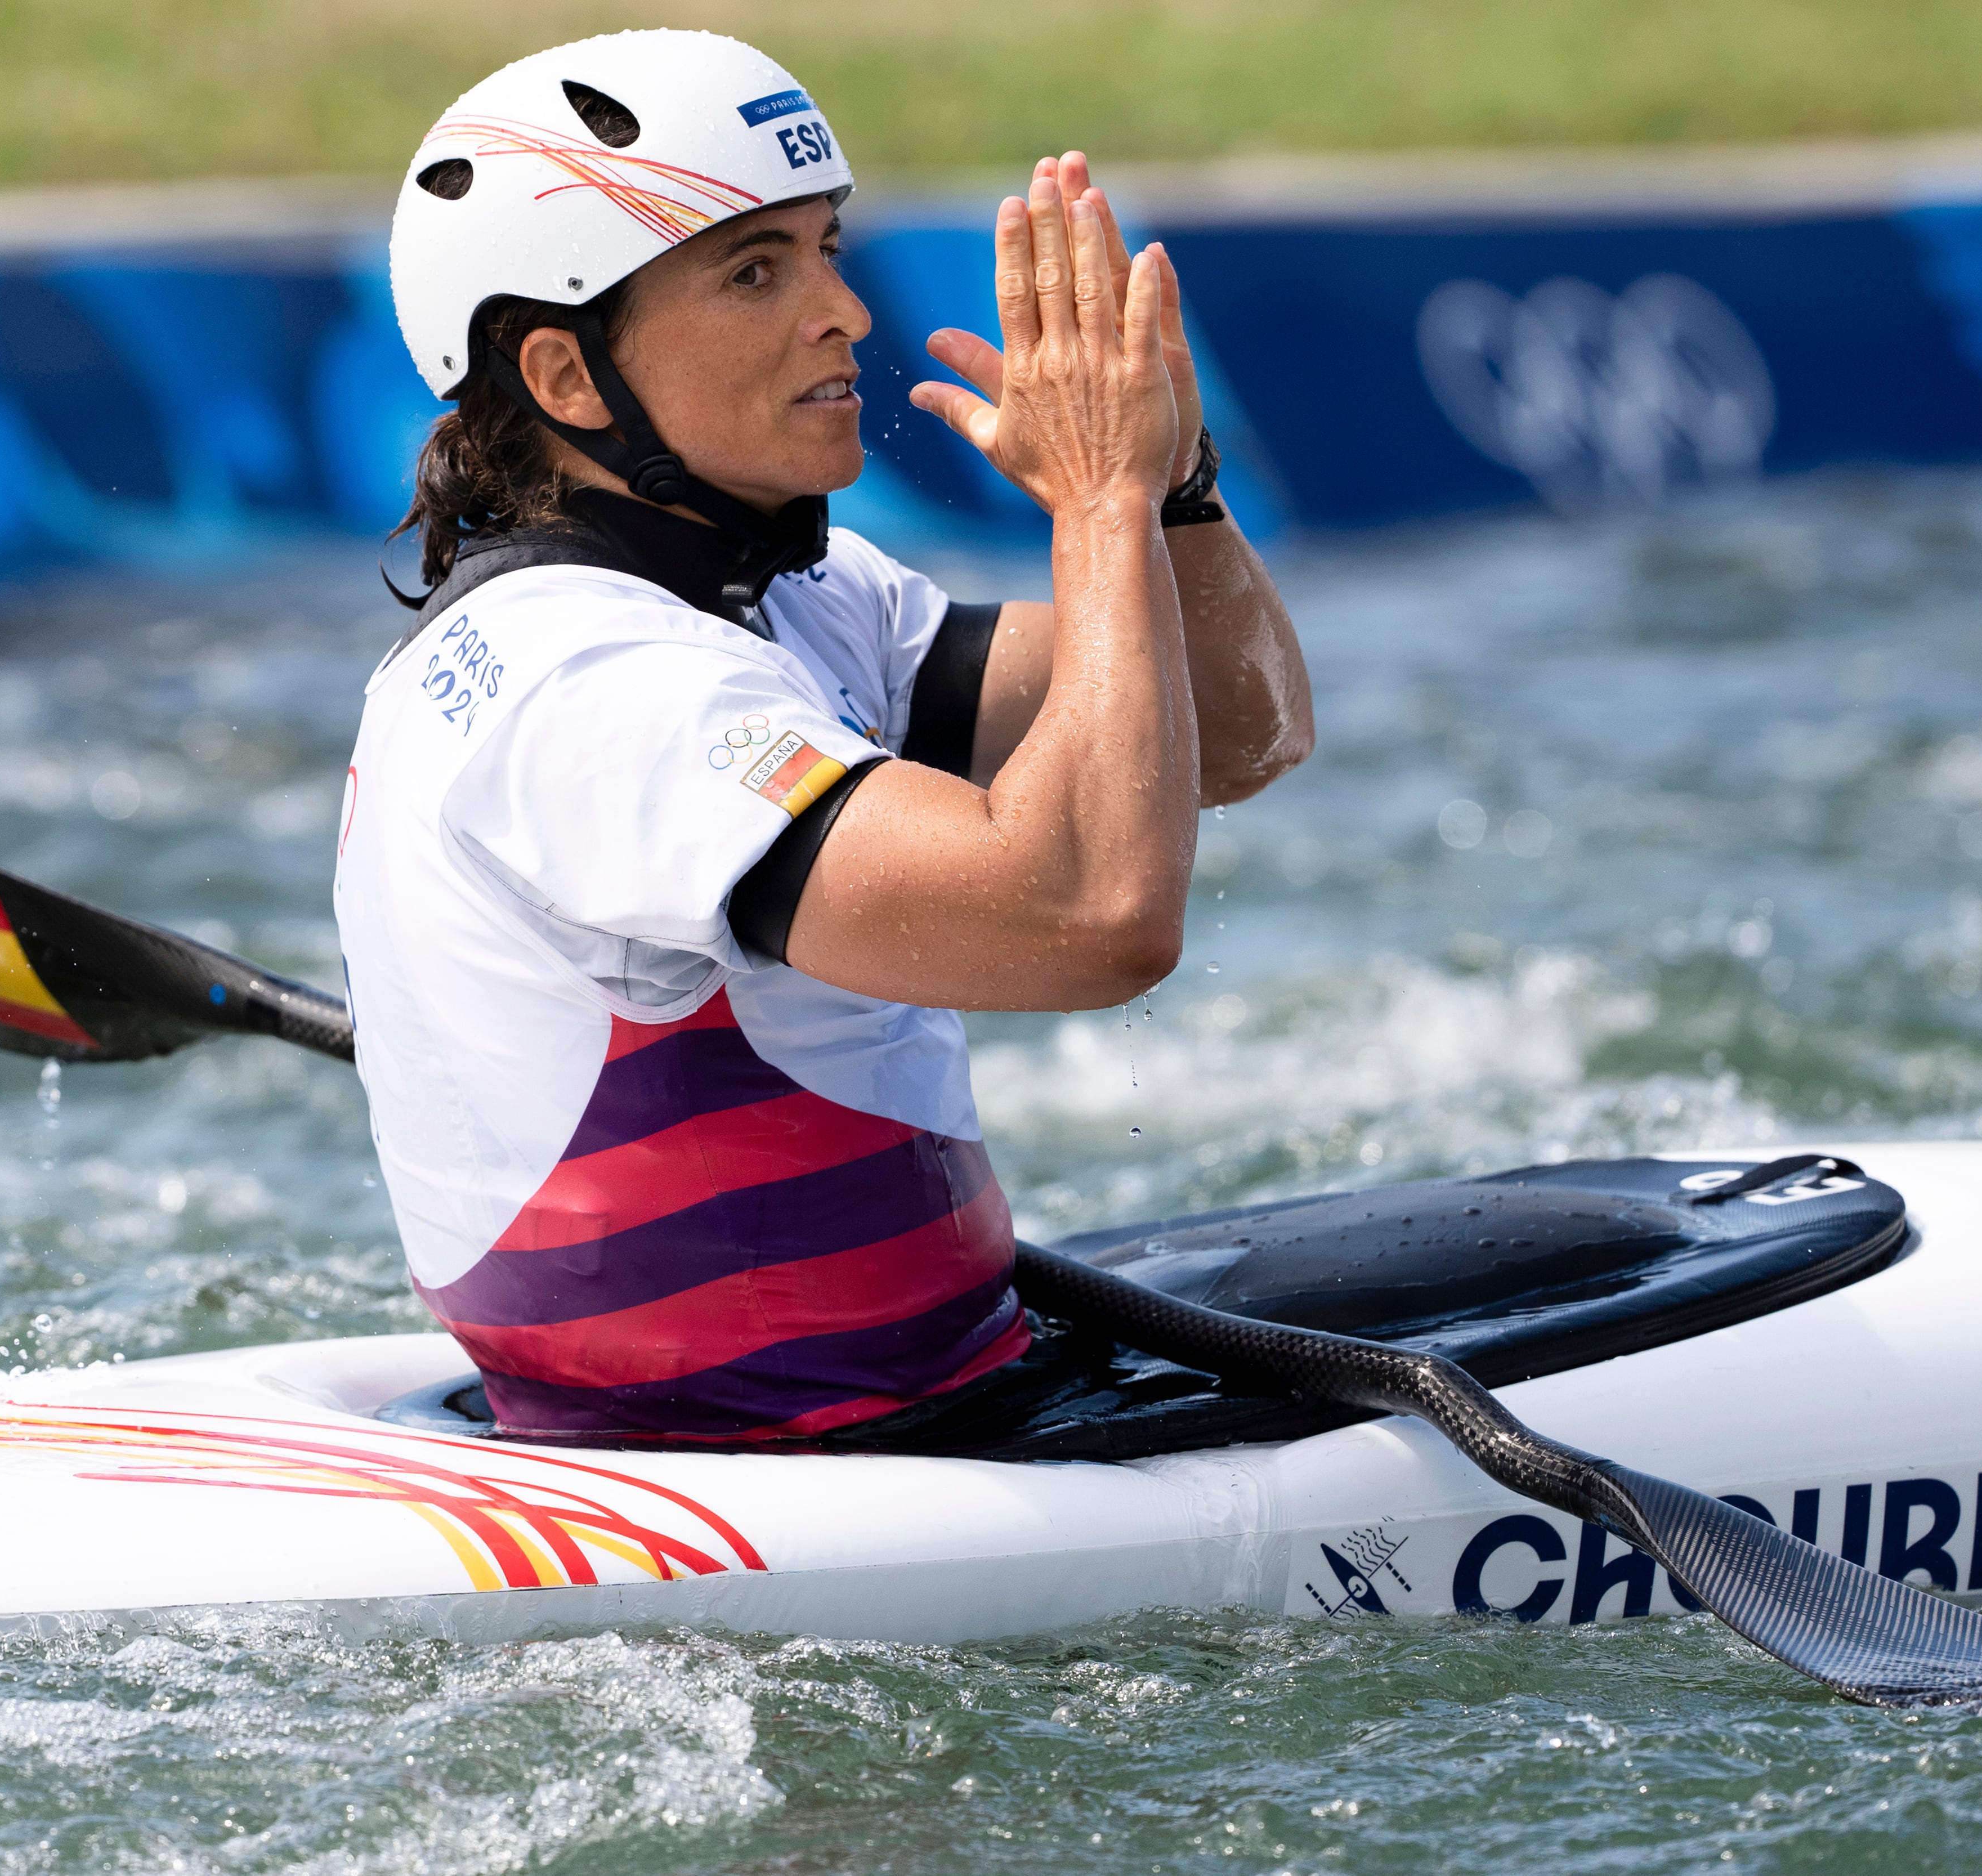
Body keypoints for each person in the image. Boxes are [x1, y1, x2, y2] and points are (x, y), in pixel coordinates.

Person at [335, 29, 1310, 1446]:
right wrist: (1094, 505)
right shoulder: (591, 684)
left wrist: (1170, 485)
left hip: (915, 1400)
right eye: (755, 271)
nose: (844, 312)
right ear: (564, 375)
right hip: (778, 1463)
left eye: (826, 250)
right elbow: (1091, 913)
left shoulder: (789, 594)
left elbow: (1229, 729)